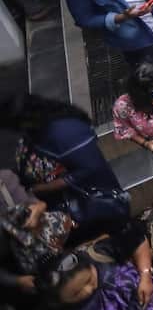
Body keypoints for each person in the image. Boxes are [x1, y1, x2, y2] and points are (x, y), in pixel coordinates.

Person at [0, 94, 127, 246]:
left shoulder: (66, 133)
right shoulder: (36, 130)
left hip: (80, 203)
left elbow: (89, 169)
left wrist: (40, 188)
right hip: (52, 198)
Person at [32, 220, 153, 310]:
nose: (88, 290)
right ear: (59, 302)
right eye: (76, 293)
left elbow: (137, 239)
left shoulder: (99, 253)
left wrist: (145, 276)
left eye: (88, 280)